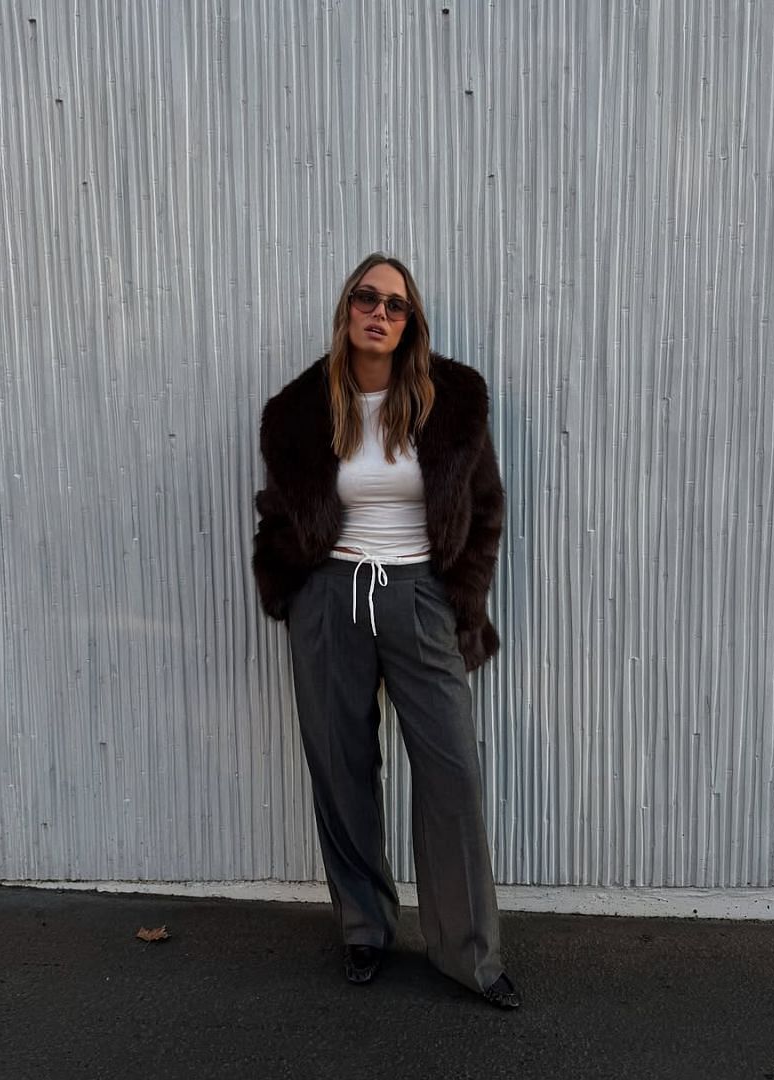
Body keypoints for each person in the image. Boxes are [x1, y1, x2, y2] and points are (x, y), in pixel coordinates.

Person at [251, 253, 519, 1009]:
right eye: (366, 298)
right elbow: (280, 509)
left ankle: (469, 953)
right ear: (346, 311)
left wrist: (460, 597)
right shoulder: (298, 411)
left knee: (451, 774)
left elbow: (485, 509)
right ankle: (364, 929)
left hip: (418, 597)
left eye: (395, 305)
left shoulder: (453, 400)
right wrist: (288, 593)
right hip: (330, 599)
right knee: (340, 766)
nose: (379, 312)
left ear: (410, 322)